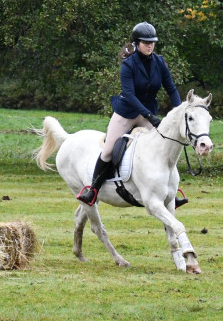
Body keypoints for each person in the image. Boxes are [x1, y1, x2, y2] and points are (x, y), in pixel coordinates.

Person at [77, 22, 182, 205]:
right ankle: (93, 190)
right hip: (126, 113)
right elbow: (130, 95)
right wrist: (149, 116)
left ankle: (171, 192)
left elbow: (171, 89)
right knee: (108, 150)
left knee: (164, 147)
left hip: (148, 112)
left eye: (152, 42)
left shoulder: (159, 62)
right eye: (145, 42)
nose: (150, 45)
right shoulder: (128, 65)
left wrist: (180, 111)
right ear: (137, 43)